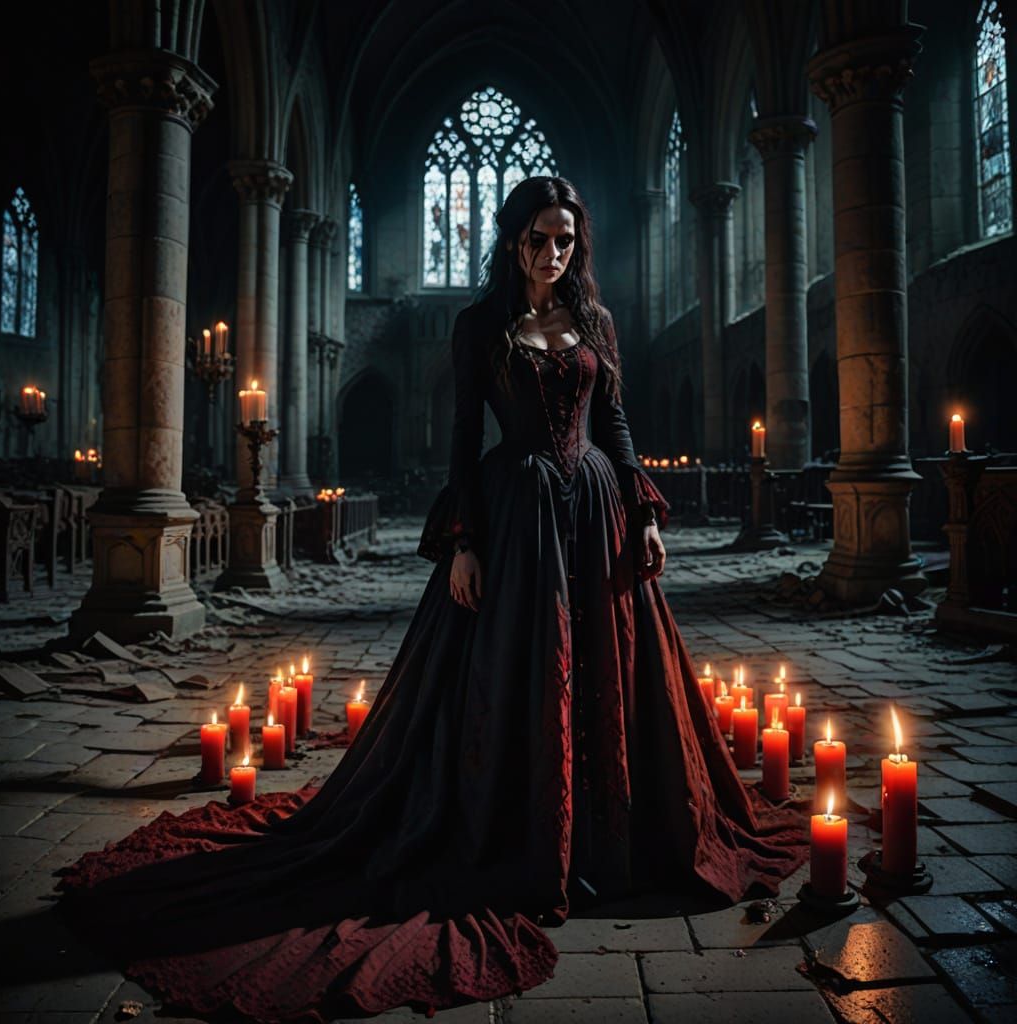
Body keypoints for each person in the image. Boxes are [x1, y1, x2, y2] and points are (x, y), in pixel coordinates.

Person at [54, 177, 806, 1021]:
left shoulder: (596, 320)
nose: (552, 253)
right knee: (510, 675)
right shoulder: (479, 325)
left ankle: (611, 838)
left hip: (596, 514)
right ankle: (520, 834)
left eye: (565, 239)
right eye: (537, 238)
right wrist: (464, 543)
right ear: (513, 240)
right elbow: (459, 442)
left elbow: (616, 423)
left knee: (610, 674)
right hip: (515, 516)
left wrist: (643, 511)